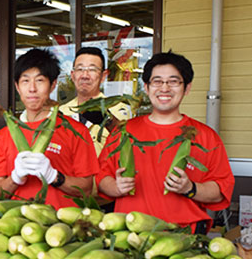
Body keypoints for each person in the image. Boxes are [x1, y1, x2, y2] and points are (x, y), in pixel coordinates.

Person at [97, 51, 234, 233]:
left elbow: (220, 190)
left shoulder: (205, 136)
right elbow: (100, 177)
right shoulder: (123, 132)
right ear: (146, 87)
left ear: (187, 88)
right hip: (130, 234)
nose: (164, 88)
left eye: (173, 81)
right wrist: (116, 187)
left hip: (185, 235)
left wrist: (190, 188)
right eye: (157, 81)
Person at [0, 48, 99, 209]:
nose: (32, 88)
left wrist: (54, 176)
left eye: (39, 80)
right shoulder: (3, 136)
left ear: (52, 85)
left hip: (61, 228)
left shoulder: (77, 131)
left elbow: (86, 189)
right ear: (17, 87)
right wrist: (15, 177)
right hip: (18, 227)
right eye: (25, 81)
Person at [59, 47, 131, 155]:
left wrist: (109, 121)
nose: (85, 75)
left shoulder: (118, 110)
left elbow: (127, 147)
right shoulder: (61, 112)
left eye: (92, 69)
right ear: (73, 76)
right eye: (80, 69)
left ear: (103, 76)